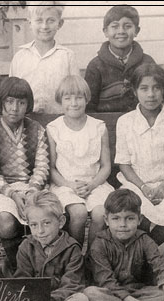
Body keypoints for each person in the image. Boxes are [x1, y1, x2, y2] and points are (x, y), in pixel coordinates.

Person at [0, 77, 49, 274]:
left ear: (28, 104)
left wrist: (31, 191)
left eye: (21, 102)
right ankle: (16, 267)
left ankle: (43, 264)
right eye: (9, 101)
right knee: (6, 219)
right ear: (1, 102)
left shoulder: (37, 130)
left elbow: (42, 167)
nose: (14, 108)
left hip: (32, 188)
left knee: (43, 215)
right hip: (3, 190)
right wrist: (12, 194)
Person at [115, 64, 164, 256]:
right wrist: (143, 187)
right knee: (136, 212)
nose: (151, 94)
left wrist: (162, 188)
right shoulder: (125, 122)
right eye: (144, 88)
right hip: (136, 183)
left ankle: (163, 259)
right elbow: (124, 163)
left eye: (156, 88)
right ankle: (142, 259)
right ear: (134, 90)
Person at [11, 190, 90, 301]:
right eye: (34, 225)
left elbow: (71, 285)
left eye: (46, 223)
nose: (40, 231)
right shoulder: (26, 247)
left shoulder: (72, 248)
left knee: (81, 300)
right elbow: (22, 279)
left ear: (60, 222)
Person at [46, 75, 113, 248]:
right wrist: (69, 185)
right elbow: (52, 168)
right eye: (67, 98)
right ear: (60, 101)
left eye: (79, 97)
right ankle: (73, 255)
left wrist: (91, 185)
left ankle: (92, 257)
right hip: (65, 185)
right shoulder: (54, 128)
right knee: (79, 212)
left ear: (87, 99)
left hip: (95, 183)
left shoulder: (98, 127)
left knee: (100, 213)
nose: (74, 103)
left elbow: (106, 166)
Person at [10, 2, 79, 114]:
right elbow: (12, 93)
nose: (44, 26)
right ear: (30, 23)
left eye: (51, 20)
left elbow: (76, 92)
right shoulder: (20, 57)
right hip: (27, 120)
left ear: (60, 23)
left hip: (59, 119)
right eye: (39, 20)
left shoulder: (67, 56)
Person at [84, 5, 155, 113]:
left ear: (137, 31)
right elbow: (89, 106)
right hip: (106, 124)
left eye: (127, 26)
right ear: (105, 31)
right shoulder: (95, 66)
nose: (121, 31)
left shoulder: (147, 62)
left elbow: (157, 99)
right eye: (115, 26)